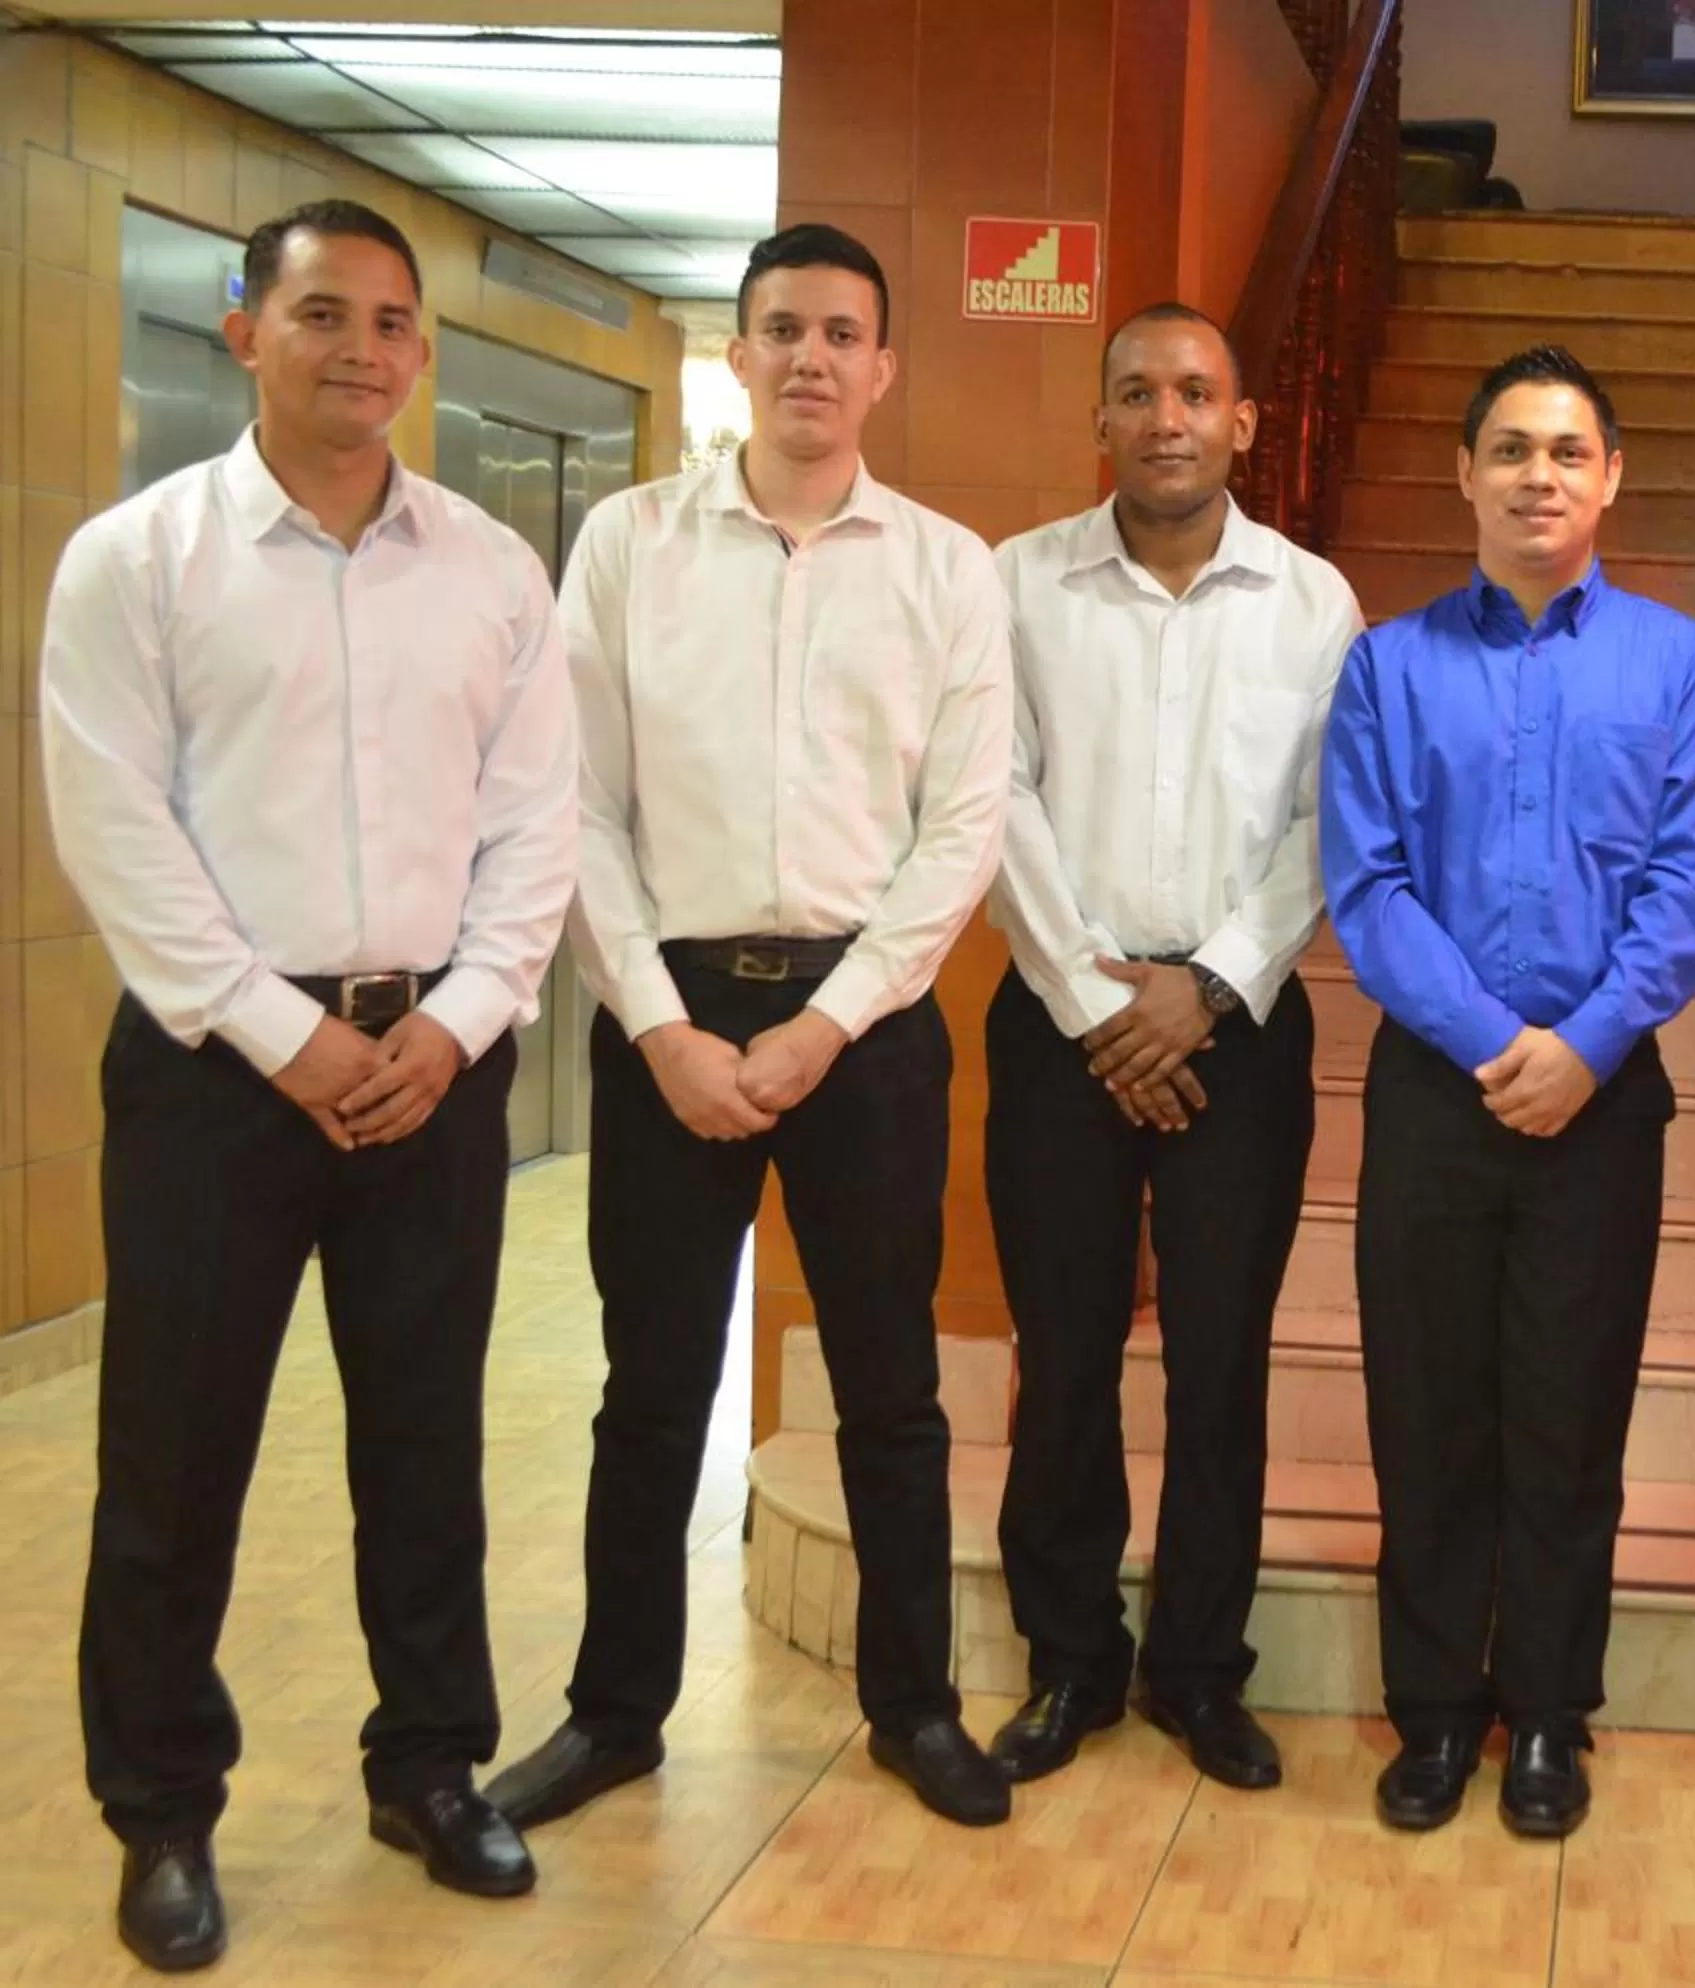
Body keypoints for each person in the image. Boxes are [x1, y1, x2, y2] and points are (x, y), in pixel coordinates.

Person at [42, 198, 578, 1971]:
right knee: (173, 1453)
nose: (364, 349)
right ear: (244, 332)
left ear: (423, 349)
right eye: (324, 313)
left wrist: (461, 1020)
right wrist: (286, 1036)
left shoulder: (491, 571)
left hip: (435, 1069)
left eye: (393, 321)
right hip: (217, 1076)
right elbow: (116, 827)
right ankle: (161, 1812)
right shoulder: (138, 559)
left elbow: (534, 823)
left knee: (425, 1444)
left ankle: (429, 1768)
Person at [485, 223, 1017, 1833]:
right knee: (651, 1388)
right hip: (673, 1016)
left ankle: (914, 1708)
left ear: (884, 367)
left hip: (868, 1022)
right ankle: (613, 1716)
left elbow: (963, 828)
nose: (812, 359)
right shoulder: (629, 545)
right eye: (783, 329)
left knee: (890, 1391)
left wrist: (830, 1026)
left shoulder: (947, 567)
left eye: (843, 334)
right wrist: (660, 1029)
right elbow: (574, 806)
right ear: (739, 354)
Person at [1320, 345, 1695, 1838]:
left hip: (1602, 1097)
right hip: (1436, 1095)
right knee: (1426, 1411)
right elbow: (1367, 886)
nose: (1539, 476)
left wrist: (1587, 1045)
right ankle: (1436, 1713)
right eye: (1510, 449)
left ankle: (1553, 1714)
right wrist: (1495, 1042)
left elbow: (1694, 888)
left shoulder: (1680, 665)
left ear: (1610, 476)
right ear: (1466, 474)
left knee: (1570, 1421)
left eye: (1568, 451)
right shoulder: (1387, 666)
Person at [981, 302, 1362, 1789]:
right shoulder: (1018, 583)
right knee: (1064, 1357)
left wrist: (1203, 987)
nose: (1166, 418)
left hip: (1237, 1036)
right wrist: (1098, 1003)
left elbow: (1327, 820)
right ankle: (1069, 1661)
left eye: (1196, 392)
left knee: (1220, 1367)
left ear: (1242, 422)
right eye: (1136, 392)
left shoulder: (1313, 603)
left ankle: (1200, 1670)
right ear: (1101, 420)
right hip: (1059, 1031)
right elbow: (992, 797)